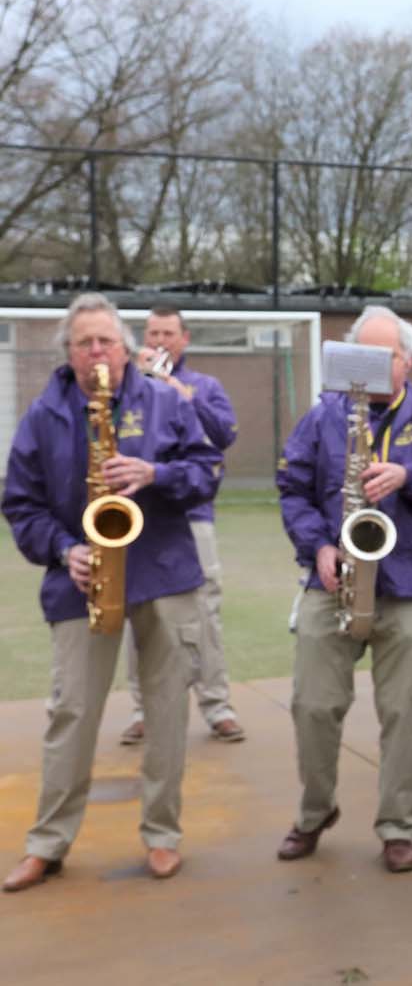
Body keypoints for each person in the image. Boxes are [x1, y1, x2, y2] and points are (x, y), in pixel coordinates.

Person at [2, 294, 223, 891]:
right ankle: (48, 843)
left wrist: (157, 473)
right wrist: (63, 548)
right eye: (84, 343)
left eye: (105, 342)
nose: (96, 352)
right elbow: (19, 504)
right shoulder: (44, 414)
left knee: (168, 711)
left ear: (126, 348)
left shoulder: (166, 401)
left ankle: (162, 835)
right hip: (84, 577)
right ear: (68, 352)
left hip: (163, 574)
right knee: (71, 711)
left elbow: (207, 472)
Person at [275, 306, 412, 875]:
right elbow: (292, 488)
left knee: (402, 712)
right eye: (365, 354)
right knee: (312, 704)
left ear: (408, 360)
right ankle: (314, 812)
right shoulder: (324, 415)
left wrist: (410, 476)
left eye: (388, 356)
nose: (377, 366)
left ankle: (398, 827)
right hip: (334, 577)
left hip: (409, 584)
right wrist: (319, 546)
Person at [114, 306, 243, 746]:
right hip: (140, 520)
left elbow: (224, 434)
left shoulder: (204, 386)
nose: (159, 341)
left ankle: (218, 707)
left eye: (168, 333)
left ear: (184, 339)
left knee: (203, 614)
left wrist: (174, 389)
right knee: (138, 613)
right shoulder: (126, 387)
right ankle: (142, 710)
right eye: (152, 333)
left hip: (193, 514)